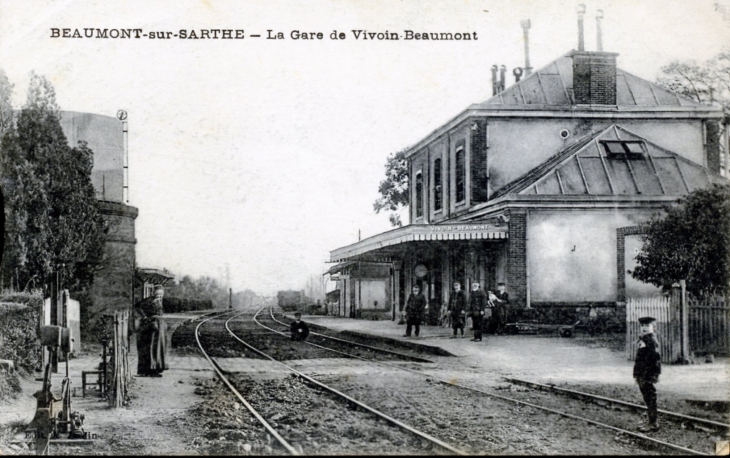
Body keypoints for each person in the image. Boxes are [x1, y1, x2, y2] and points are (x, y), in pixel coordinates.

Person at [634, 316, 661, 432]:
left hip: (647, 374)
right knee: (647, 397)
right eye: (642, 326)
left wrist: (654, 374)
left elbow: (656, 359)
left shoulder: (651, 340)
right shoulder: (645, 339)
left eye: (647, 326)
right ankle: (651, 421)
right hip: (642, 374)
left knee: (650, 397)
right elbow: (639, 359)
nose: (644, 328)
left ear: (653, 328)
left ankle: (653, 423)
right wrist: (637, 375)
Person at [135, 284, 166, 377]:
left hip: (159, 326)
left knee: (158, 347)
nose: (159, 296)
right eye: (157, 294)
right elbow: (137, 306)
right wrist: (145, 316)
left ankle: (156, 368)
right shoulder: (149, 300)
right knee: (151, 347)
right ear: (153, 293)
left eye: (160, 295)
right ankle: (149, 369)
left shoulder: (160, 301)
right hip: (150, 326)